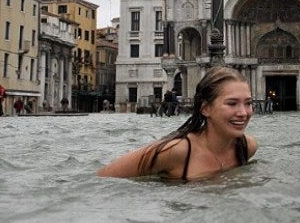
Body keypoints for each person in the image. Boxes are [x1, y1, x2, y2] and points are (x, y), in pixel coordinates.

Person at [98, 67, 258, 181]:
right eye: (232, 103)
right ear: (206, 108)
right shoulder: (176, 150)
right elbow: (104, 177)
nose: (243, 113)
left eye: (248, 103)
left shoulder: (247, 147)